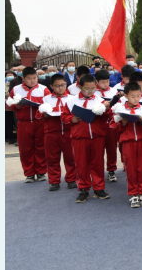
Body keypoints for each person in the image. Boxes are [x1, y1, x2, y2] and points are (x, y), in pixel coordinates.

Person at [61, 74, 110, 203]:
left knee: (98, 163)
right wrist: (71, 119)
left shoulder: (100, 100)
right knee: (81, 164)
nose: (90, 91)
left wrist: (106, 109)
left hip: (97, 136)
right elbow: (64, 116)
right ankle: (83, 188)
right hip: (79, 137)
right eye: (87, 89)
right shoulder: (71, 101)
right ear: (80, 87)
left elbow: (107, 117)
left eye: (93, 88)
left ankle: (99, 188)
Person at [110, 81, 142, 208]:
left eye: (138, 96)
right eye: (132, 96)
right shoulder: (120, 110)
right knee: (130, 168)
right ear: (126, 96)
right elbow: (113, 128)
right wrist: (122, 123)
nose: (136, 99)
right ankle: (133, 194)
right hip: (127, 143)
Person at [5, 66, 51, 183]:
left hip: (39, 123)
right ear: (23, 78)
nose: (33, 80)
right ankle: (29, 173)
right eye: (29, 78)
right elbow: (9, 104)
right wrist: (16, 106)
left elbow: (50, 104)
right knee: (25, 149)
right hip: (24, 123)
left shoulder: (43, 89)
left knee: (41, 147)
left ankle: (41, 172)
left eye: (34, 78)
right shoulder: (16, 89)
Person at [39, 73, 78, 191]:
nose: (61, 88)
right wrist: (45, 114)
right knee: (52, 158)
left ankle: (71, 179)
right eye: (57, 86)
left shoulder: (72, 98)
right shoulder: (46, 99)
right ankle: (54, 180)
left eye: (63, 85)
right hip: (51, 132)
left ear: (66, 84)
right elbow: (41, 115)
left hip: (68, 132)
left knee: (70, 157)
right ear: (51, 86)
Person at [94, 69, 121, 184]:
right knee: (98, 150)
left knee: (111, 148)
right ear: (97, 82)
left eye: (107, 81)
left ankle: (111, 170)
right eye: (103, 82)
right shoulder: (93, 93)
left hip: (111, 124)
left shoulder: (114, 92)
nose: (105, 84)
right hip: (98, 124)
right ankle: (97, 172)